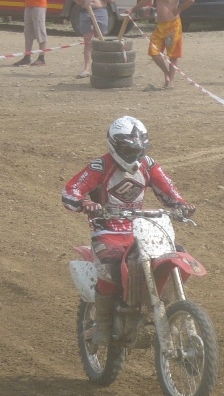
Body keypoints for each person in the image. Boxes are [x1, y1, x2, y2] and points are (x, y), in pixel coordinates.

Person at [62, 116, 195, 346]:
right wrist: (85, 203)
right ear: (115, 146)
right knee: (110, 266)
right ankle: (102, 324)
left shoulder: (148, 165)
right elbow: (71, 191)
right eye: (129, 150)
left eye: (139, 150)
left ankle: (170, 311)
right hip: (108, 231)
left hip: (141, 228)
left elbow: (169, 190)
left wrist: (181, 204)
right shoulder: (101, 166)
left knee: (175, 254)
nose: (135, 155)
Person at [127, 0, 195, 89]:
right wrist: (132, 9)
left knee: (173, 55)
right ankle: (166, 73)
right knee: (153, 51)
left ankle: (170, 80)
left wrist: (179, 9)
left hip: (173, 24)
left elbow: (190, 1)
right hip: (160, 26)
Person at [74, 0, 113, 78]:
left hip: (100, 11)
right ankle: (86, 69)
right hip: (85, 11)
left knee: (100, 40)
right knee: (87, 41)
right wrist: (79, 2)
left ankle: (101, 67)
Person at [13, 0, 48, 66]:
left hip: (39, 5)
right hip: (28, 5)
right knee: (28, 32)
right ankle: (27, 57)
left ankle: (41, 58)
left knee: (40, 31)